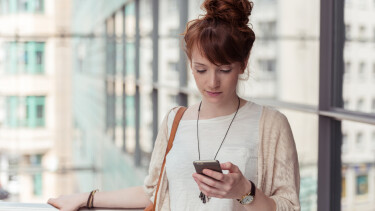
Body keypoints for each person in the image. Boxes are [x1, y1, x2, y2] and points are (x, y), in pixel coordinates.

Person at [47, 0, 300, 210]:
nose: (212, 82)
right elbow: (152, 192)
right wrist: (85, 198)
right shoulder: (175, 120)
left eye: (224, 69)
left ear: (243, 64)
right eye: (201, 69)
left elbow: (289, 206)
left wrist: (245, 191)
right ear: (190, 64)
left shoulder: (270, 124)